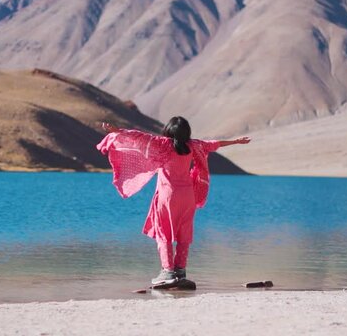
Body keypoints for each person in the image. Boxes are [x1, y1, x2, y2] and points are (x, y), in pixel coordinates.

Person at [97, 116, 250, 285]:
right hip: (188, 197)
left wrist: (117, 131)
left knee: (164, 233)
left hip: (168, 196)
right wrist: (235, 142)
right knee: (184, 234)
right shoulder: (193, 146)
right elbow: (213, 144)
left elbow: (138, 137)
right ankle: (180, 271)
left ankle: (168, 272)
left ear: (169, 130)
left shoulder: (162, 144)